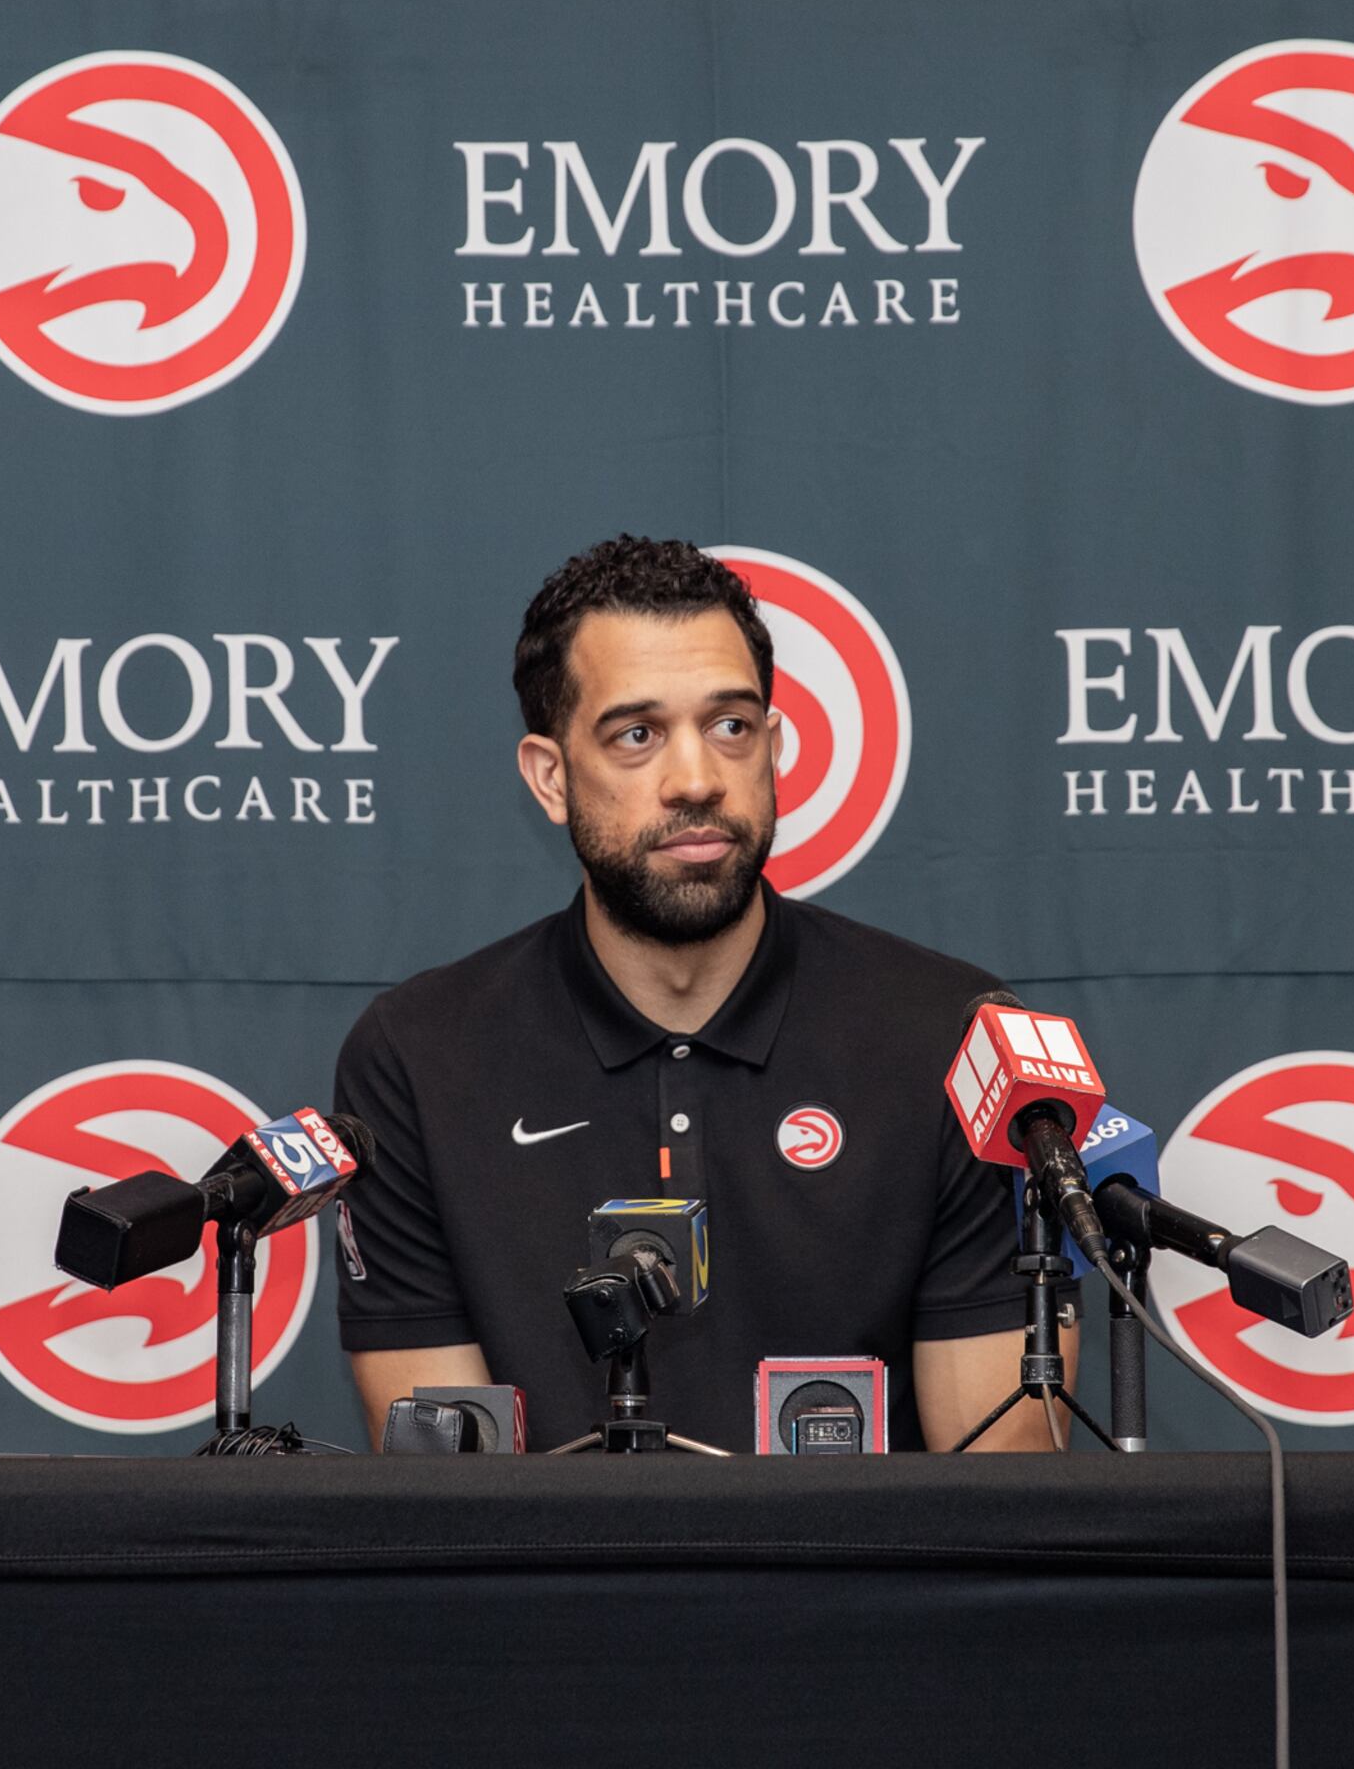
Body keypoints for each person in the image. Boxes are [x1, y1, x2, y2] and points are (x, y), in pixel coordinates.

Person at [332, 537, 1054, 1453]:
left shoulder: (955, 1038)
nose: (698, 780)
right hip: (551, 1594)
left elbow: (995, 1487)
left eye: (731, 726)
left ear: (775, 747)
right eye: (637, 735)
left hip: (864, 1593)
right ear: (551, 778)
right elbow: (452, 1497)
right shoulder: (416, 1056)